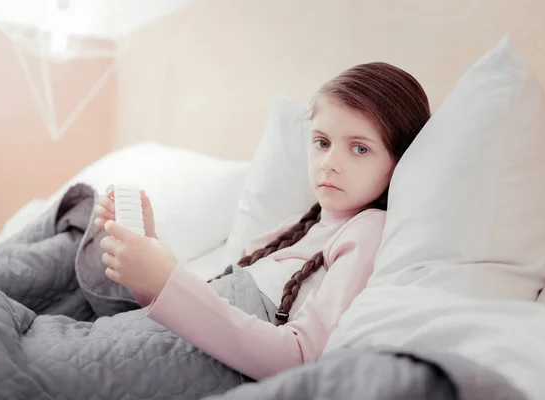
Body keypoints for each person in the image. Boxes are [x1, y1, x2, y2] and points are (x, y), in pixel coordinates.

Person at [94, 61, 431, 381]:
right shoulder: (295, 228)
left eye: (359, 149)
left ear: (399, 161)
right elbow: (199, 308)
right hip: (156, 339)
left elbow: (300, 358)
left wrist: (167, 280)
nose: (329, 163)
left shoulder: (367, 231)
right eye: (322, 142)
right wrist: (148, 259)